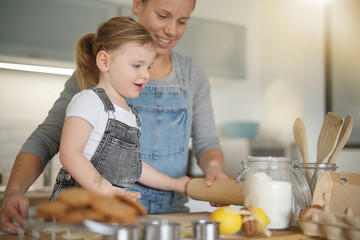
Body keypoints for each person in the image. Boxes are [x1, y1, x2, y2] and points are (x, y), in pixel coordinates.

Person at [0, 0, 229, 234]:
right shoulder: (91, 88)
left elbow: (200, 145)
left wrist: (206, 171)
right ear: (138, 5)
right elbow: (50, 138)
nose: (171, 30)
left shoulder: (186, 78)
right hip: (96, 210)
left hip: (166, 214)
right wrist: (14, 190)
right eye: (162, 16)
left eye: (182, 21)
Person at [49, 16, 189, 201]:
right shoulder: (89, 101)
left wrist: (174, 184)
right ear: (105, 62)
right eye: (137, 65)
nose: (146, 75)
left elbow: (135, 167)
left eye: (148, 67)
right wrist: (107, 190)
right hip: (75, 208)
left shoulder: (131, 115)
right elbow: (69, 154)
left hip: (107, 211)